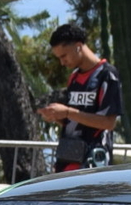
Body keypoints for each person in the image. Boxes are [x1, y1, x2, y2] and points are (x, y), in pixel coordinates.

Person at [39, 24, 121, 173]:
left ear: (78, 46)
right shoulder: (74, 77)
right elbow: (77, 120)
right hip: (67, 158)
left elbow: (108, 123)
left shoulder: (107, 75)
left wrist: (68, 112)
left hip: (93, 160)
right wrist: (56, 116)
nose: (62, 62)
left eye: (64, 56)